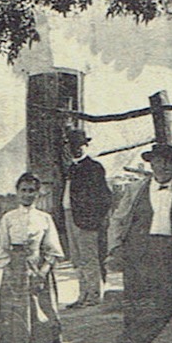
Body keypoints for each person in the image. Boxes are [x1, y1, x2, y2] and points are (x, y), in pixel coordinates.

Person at [107, 143, 172, 343]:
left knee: (167, 303)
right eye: (159, 161)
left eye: (170, 161)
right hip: (137, 251)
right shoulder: (136, 189)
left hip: (167, 252)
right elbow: (118, 219)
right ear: (151, 163)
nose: (164, 166)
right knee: (135, 307)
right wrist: (115, 247)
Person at [0, 173, 65, 343]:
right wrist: (11, 269)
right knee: (15, 312)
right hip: (14, 270)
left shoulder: (44, 218)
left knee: (40, 310)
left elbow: (52, 249)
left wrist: (43, 270)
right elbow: (1, 247)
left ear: (38, 193)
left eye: (32, 191)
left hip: (38, 268)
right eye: (23, 190)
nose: (27, 194)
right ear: (17, 192)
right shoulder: (9, 218)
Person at [61, 129, 112, 309]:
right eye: (73, 146)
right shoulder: (70, 167)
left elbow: (105, 196)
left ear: (86, 145)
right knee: (76, 258)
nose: (76, 149)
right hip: (69, 215)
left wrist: (95, 219)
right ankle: (83, 294)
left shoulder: (94, 167)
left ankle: (94, 295)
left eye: (79, 145)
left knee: (89, 258)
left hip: (85, 220)